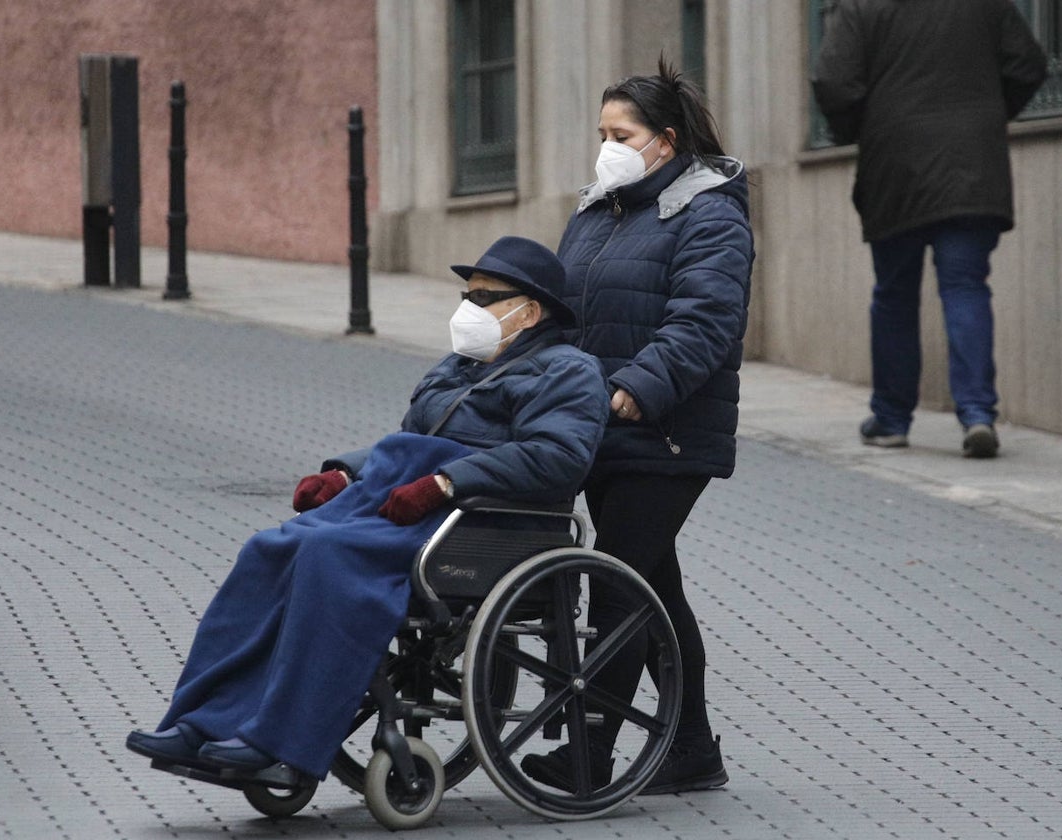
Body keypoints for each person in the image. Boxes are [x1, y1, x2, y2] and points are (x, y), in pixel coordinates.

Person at [126, 236, 610, 782]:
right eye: (466, 296)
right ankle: (201, 722)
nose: (467, 310)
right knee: (270, 549)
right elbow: (406, 441)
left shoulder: (569, 371)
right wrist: (345, 472)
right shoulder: (459, 366)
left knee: (327, 556)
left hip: (473, 520)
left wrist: (449, 481)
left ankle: (278, 742)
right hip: (403, 499)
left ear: (531, 310)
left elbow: (558, 458)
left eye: (483, 298)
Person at [520, 57, 754, 796]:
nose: (607, 146)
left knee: (618, 586)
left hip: (666, 434)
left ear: (666, 140)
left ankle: (589, 751)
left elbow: (706, 321)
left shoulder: (711, 214)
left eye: (621, 133)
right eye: (602, 132)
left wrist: (634, 390)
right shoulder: (596, 211)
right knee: (654, 585)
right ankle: (690, 751)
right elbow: (562, 313)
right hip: (600, 430)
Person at [812, 0, 1048, 458]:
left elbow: (833, 81)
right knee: (966, 285)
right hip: (972, 163)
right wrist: (986, 113)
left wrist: (860, 127)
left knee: (895, 294)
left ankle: (892, 419)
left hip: (895, 166)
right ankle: (978, 414)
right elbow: (1028, 64)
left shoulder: (863, 8)